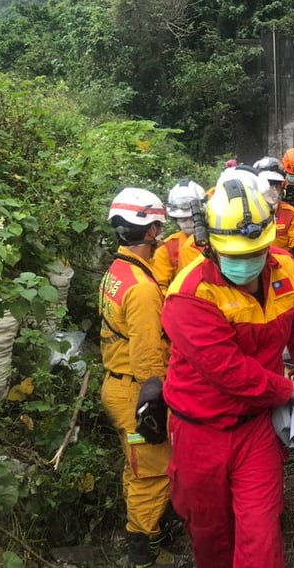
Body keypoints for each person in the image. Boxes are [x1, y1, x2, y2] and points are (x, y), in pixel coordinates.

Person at [161, 178, 294, 568]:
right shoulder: (189, 296)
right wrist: (290, 389)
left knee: (262, 536)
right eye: (234, 254)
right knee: (212, 536)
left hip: (255, 427)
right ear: (208, 243)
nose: (245, 264)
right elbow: (230, 372)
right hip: (200, 430)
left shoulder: (285, 272)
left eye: (255, 252)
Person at [99, 188, 184, 568]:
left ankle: (148, 535)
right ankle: (145, 556)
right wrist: (155, 400)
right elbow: (149, 356)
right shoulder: (144, 290)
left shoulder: (117, 273)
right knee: (151, 476)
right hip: (137, 393)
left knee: (137, 470)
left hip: (118, 385)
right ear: (151, 231)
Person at [253, 156, 294, 264]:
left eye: (275, 185)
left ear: (282, 186)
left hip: (281, 268)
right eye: (267, 184)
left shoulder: (293, 215)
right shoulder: (243, 212)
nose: (271, 189)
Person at [153, 180, 206, 293]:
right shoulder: (168, 247)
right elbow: (160, 285)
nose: (188, 223)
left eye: (192, 218)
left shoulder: (218, 238)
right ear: (175, 220)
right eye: (182, 219)